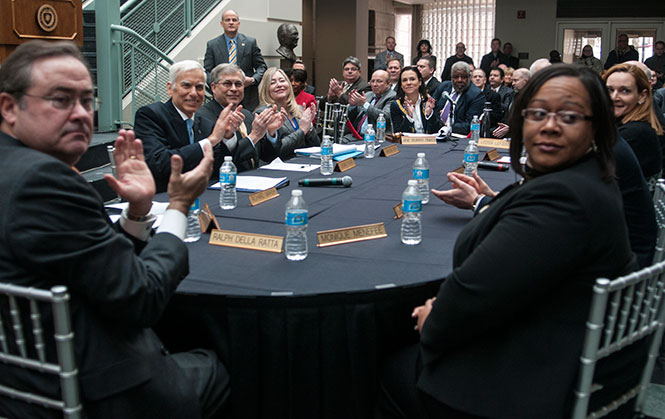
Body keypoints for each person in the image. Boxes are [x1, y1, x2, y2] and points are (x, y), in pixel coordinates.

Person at [376, 64, 639, 419]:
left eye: (570, 116)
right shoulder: (584, 177)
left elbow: (474, 296)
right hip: (554, 342)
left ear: (596, 126)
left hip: (522, 383)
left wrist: (434, 315)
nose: (549, 125)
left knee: (379, 363)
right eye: (538, 113)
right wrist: (488, 202)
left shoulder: (564, 201)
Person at [0, 40, 230, 418]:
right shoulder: (44, 182)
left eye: (87, 101)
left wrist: (138, 212)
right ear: (10, 107)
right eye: (61, 99)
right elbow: (140, 299)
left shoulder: (21, 171)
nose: (80, 115)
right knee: (225, 355)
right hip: (93, 390)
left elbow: (91, 264)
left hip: (18, 384)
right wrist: (177, 206)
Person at [135, 61, 278, 192]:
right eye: (186, 86)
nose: (193, 93)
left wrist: (228, 138)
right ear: (170, 88)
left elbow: (220, 166)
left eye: (199, 87)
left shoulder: (203, 122)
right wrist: (211, 140)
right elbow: (160, 164)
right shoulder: (151, 115)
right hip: (162, 198)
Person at [196, 63, 282, 170]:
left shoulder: (247, 115)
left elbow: (268, 156)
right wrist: (253, 137)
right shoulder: (202, 117)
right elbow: (219, 161)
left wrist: (271, 133)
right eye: (227, 84)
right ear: (213, 87)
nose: (234, 89)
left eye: (238, 84)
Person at [604, 63, 663, 188]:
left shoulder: (636, 133)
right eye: (609, 90)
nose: (614, 97)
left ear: (642, 96)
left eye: (625, 91)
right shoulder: (622, 124)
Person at [203, 9, 267, 111]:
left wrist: (252, 80)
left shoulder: (250, 43)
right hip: (223, 98)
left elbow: (262, 67)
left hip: (248, 97)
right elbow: (207, 71)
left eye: (234, 20)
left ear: (238, 23)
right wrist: (218, 86)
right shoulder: (212, 45)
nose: (231, 22)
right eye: (227, 20)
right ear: (222, 23)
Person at [256, 67, 319, 159]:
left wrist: (309, 128)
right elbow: (276, 151)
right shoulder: (263, 113)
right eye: (272, 83)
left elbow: (316, 147)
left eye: (282, 81)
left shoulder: (299, 109)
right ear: (266, 89)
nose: (279, 85)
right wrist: (301, 131)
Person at [433, 61, 484, 136]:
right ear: (451, 77)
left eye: (463, 77)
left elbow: (469, 125)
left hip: (457, 135)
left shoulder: (476, 94)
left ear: (469, 77)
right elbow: (432, 110)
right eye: (456, 77)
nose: (459, 80)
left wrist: (447, 126)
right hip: (435, 132)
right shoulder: (443, 87)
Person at [345, 69, 396, 142]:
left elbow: (385, 116)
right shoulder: (368, 94)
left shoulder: (392, 96)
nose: (375, 84)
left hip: (375, 137)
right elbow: (351, 118)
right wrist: (353, 106)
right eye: (372, 81)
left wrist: (364, 104)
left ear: (388, 83)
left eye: (379, 81)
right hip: (355, 135)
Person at [390, 66, 440, 134]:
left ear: (420, 82)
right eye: (404, 80)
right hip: (408, 143)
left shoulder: (429, 101)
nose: (408, 83)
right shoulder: (396, 105)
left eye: (412, 79)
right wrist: (409, 117)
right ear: (401, 85)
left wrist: (430, 114)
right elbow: (398, 133)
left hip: (430, 143)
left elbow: (437, 130)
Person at [470, 68, 503, 134]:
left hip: (485, 129)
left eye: (480, 77)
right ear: (471, 80)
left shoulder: (493, 95)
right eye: (475, 77)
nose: (477, 78)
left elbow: (496, 117)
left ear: (485, 80)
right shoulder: (466, 94)